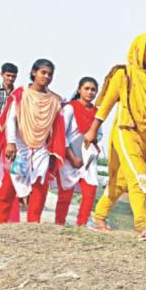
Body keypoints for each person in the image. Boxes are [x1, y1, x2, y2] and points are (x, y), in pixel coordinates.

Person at [82, 33, 146, 241]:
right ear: (139, 50)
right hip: (124, 131)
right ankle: (142, 225)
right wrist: (92, 129)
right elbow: (107, 103)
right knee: (137, 176)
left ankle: (98, 218)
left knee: (121, 181)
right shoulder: (124, 74)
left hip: (145, 136)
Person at [0, 59, 66, 224]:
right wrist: (11, 142)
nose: (46, 76)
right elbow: (11, 119)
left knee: (40, 187)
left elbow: (57, 128)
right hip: (20, 146)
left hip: (41, 148)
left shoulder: (55, 100)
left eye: (50, 74)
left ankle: (34, 223)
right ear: (34, 72)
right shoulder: (21, 93)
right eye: (43, 72)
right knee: (9, 187)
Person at [54, 77, 102, 226]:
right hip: (70, 156)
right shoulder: (70, 108)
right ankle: (59, 223)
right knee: (65, 193)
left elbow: (99, 134)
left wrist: (93, 138)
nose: (90, 92)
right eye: (86, 88)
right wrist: (72, 157)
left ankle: (81, 224)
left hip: (87, 157)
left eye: (93, 89)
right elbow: (62, 133)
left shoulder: (97, 112)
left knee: (90, 188)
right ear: (79, 90)